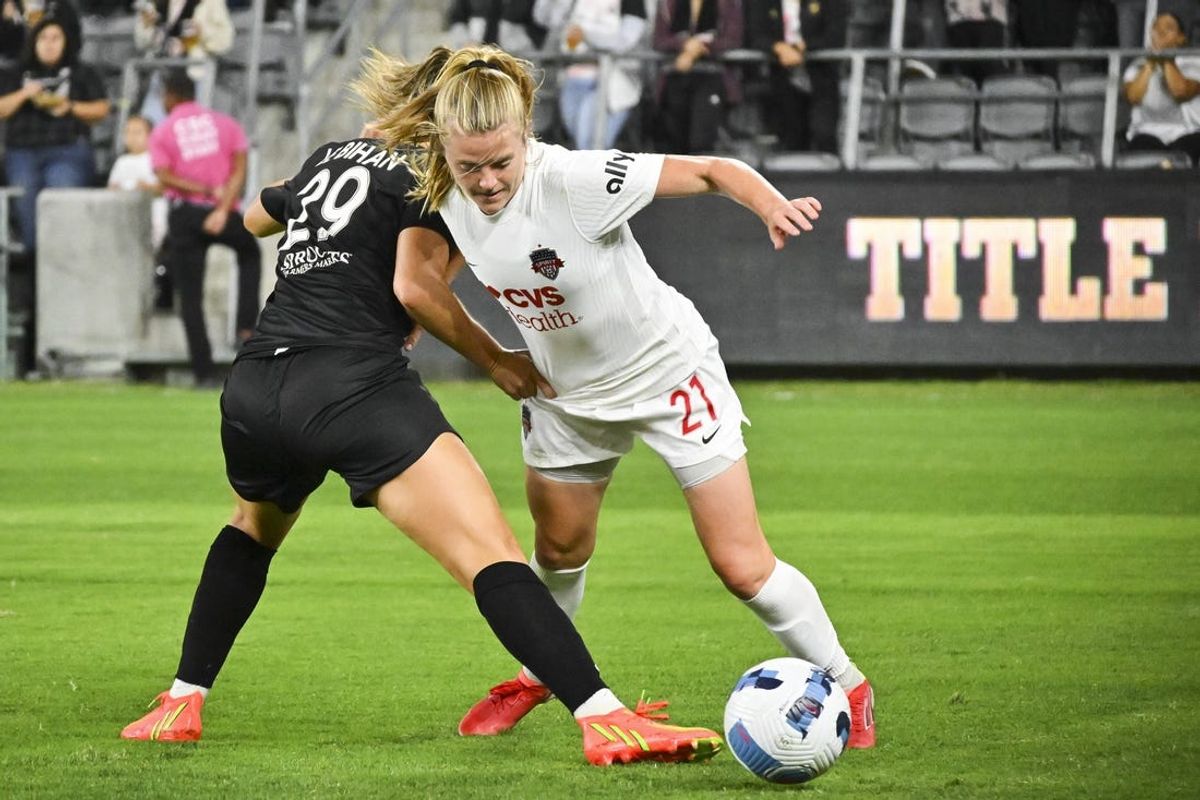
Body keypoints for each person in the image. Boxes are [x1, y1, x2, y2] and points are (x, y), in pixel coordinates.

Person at [120, 48, 723, 768]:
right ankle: (605, 718)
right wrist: (500, 360)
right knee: (491, 554)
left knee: (252, 527)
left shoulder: (331, 156)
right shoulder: (438, 171)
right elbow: (414, 287)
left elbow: (256, 219)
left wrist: (320, 187)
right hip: (352, 386)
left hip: (256, 386)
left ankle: (183, 699)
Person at [367, 44, 876, 746]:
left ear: (526, 137)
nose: (485, 182)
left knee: (741, 565)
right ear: (443, 150)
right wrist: (494, 360)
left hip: (669, 378)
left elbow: (710, 169)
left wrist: (770, 204)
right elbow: (400, 237)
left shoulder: (576, 179)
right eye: (469, 166)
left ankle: (849, 683)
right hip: (566, 397)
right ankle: (540, 671)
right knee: (558, 549)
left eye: (501, 163)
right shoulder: (438, 179)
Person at [0, 13, 107, 376]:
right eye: (43, 38)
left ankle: (65, 300)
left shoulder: (81, 73)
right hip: (23, 152)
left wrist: (69, 107)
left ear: (66, 42)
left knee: (63, 229)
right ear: (34, 41)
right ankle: (33, 325)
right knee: (33, 241)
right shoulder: (14, 72)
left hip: (66, 148)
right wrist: (25, 95)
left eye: (56, 38)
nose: (49, 44)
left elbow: (102, 109)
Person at [148, 68, 260, 387]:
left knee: (191, 294)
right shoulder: (225, 124)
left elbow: (163, 174)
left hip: (185, 214)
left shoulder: (164, 131)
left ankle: (204, 372)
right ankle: (246, 329)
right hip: (220, 210)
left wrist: (196, 188)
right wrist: (223, 208)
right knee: (249, 252)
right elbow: (240, 167)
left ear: (169, 96)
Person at [543, 0, 648, 151]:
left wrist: (585, 34)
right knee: (579, 144)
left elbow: (623, 42)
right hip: (573, 78)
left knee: (590, 145)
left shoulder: (632, 4)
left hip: (610, 84)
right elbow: (554, 23)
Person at [746, 0, 848, 154]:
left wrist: (803, 47)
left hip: (822, 77)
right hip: (782, 78)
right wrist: (778, 48)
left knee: (824, 134)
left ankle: (830, 173)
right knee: (791, 139)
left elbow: (836, 36)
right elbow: (754, 35)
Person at [652, 0, 744, 154]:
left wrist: (698, 48)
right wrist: (684, 45)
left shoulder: (727, 4)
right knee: (673, 144)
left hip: (712, 76)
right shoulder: (668, 4)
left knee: (701, 142)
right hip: (675, 76)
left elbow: (733, 39)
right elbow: (658, 40)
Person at [134, 0, 233, 123]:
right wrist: (147, 26)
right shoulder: (156, 3)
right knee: (152, 125)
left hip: (195, 76)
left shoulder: (210, 2)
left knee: (191, 128)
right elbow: (141, 44)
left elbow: (225, 41)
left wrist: (202, 32)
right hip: (161, 76)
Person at [108, 114, 170, 308]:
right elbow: (111, 189)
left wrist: (146, 187)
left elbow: (163, 188)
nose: (131, 137)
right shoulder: (121, 162)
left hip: (153, 214)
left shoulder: (155, 160)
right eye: (127, 132)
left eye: (138, 132)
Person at [1123, 11, 1200, 164]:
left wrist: (1165, 59)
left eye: (1169, 28)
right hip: (1147, 131)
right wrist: (1151, 63)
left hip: (1188, 132)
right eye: (1156, 28)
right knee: (1138, 160)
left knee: (1181, 161)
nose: (1161, 33)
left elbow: (1180, 91)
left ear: (1181, 38)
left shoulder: (1195, 63)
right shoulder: (1137, 65)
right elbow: (1133, 96)